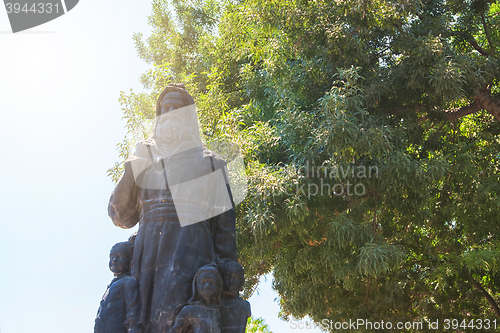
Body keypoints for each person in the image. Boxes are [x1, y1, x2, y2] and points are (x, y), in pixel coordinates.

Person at [108, 84, 237, 333]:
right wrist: (134, 167)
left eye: (176, 108)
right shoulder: (143, 162)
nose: (168, 112)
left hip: (192, 252)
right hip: (146, 257)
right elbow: (121, 217)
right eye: (164, 108)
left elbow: (225, 232)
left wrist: (227, 282)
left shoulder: (212, 163)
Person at [94, 241, 141, 333]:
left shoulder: (128, 282)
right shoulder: (114, 283)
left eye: (120, 257)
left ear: (130, 259)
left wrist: (134, 329)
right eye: (111, 257)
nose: (114, 260)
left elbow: (133, 310)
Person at [169, 264, 223, 333]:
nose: (207, 286)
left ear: (219, 287)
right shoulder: (189, 310)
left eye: (212, 283)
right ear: (195, 286)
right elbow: (175, 330)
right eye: (203, 282)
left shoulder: (217, 311)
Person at [219, 261, 251, 333]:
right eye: (227, 278)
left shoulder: (243, 305)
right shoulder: (218, 303)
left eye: (236, 278)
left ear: (242, 282)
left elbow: (241, 330)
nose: (231, 281)